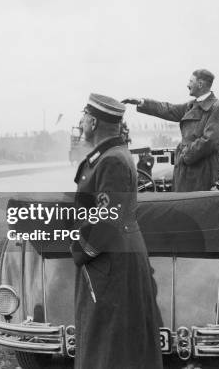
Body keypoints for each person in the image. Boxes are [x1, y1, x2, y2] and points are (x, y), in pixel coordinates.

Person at [72, 93, 162, 369]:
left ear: (94, 123)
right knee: (109, 341)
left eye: (85, 116)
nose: (81, 121)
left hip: (112, 264)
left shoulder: (112, 160)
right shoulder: (109, 155)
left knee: (111, 347)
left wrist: (79, 248)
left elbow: (106, 222)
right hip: (112, 259)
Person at [122, 69, 219, 191]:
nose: (188, 85)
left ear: (200, 84)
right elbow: (169, 109)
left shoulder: (216, 108)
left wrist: (185, 155)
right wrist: (142, 102)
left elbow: (210, 141)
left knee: (196, 205)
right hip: (187, 170)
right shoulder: (192, 105)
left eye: (191, 81)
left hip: (202, 172)